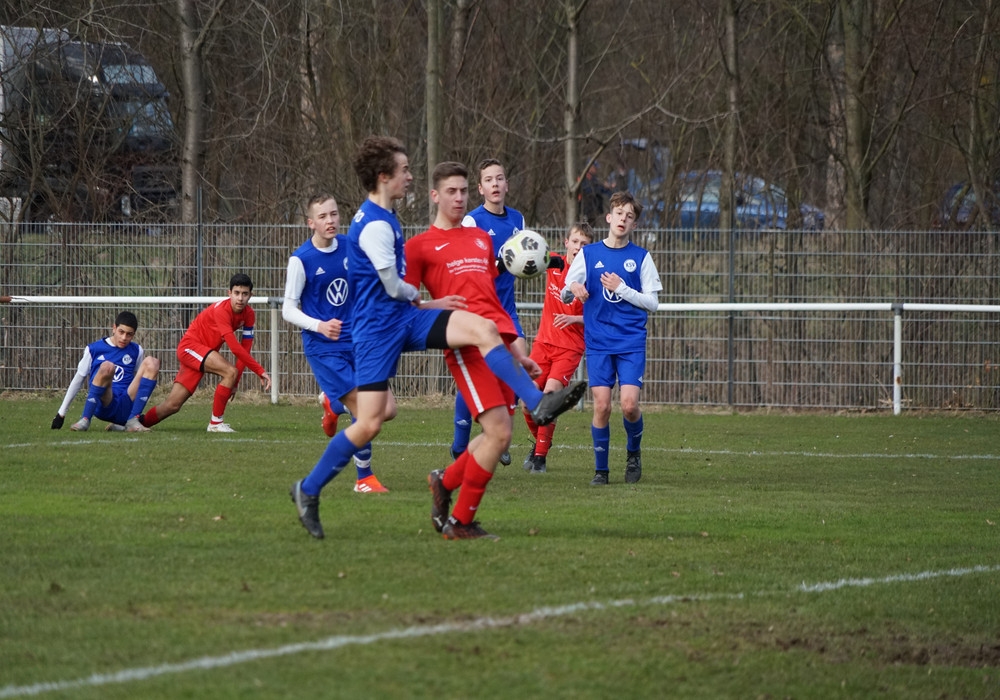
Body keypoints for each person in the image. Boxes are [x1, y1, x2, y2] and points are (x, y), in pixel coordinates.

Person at [289, 137, 585, 539]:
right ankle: (308, 490)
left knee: (481, 328)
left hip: (404, 320)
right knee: (371, 422)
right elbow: (392, 285)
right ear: (384, 176)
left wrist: (431, 305)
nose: (409, 176)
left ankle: (537, 403)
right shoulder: (375, 224)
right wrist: (428, 299)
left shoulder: (386, 215)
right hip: (377, 331)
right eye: (404, 170)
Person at [404, 161, 533, 540]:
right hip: (464, 344)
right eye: (451, 191)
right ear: (435, 196)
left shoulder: (480, 239)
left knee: (500, 434)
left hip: (496, 342)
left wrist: (515, 353)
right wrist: (435, 305)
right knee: (498, 433)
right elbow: (403, 307)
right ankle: (460, 521)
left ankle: (445, 482)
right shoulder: (418, 246)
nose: (459, 198)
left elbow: (489, 299)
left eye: (462, 191)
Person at [282, 193, 390, 494]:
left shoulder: (349, 246)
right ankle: (364, 478)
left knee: (387, 409)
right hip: (324, 348)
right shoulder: (301, 260)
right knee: (365, 412)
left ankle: (334, 404)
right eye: (323, 217)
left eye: (334, 214)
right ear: (311, 223)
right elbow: (288, 309)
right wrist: (320, 325)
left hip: (358, 340)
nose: (330, 221)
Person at [562, 191, 662, 485]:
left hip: (630, 342)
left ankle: (633, 453)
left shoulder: (641, 257)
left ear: (634, 225)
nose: (623, 219)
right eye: (619, 213)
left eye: (629, 216)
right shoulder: (589, 254)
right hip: (599, 342)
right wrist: (574, 289)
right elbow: (567, 289)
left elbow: (653, 303)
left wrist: (622, 289)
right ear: (609, 217)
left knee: (629, 406)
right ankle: (601, 471)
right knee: (602, 406)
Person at [451, 157, 527, 465]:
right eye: (489, 180)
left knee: (518, 366)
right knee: (475, 374)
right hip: (479, 310)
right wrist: (501, 263)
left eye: (500, 178)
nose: (495, 184)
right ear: (480, 188)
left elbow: (523, 260)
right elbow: (470, 268)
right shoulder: (472, 222)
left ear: (507, 184)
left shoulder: (518, 219)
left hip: (506, 309)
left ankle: (499, 433)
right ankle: (460, 444)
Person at [138, 273, 272, 432]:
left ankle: (137, 423)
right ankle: (215, 424)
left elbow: (245, 349)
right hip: (190, 348)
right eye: (236, 293)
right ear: (229, 293)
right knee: (230, 371)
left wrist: (235, 383)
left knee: (172, 405)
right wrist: (259, 370)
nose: (240, 298)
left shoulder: (249, 314)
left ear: (251, 295)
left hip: (202, 353)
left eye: (245, 294)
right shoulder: (222, 310)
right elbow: (235, 348)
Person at [521, 221, 593, 474]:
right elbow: (531, 257)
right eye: (575, 242)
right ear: (566, 243)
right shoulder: (555, 263)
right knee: (527, 400)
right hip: (543, 344)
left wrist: (575, 319)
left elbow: (599, 316)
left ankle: (540, 458)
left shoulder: (591, 277)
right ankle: (541, 443)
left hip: (569, 348)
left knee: (549, 396)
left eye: (584, 244)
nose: (579, 247)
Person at [51, 311, 160, 432]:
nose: (124, 338)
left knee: (153, 362)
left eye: (129, 334)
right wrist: (61, 413)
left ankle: (132, 420)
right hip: (104, 404)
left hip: (125, 404)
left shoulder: (137, 350)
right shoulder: (93, 349)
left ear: (134, 334)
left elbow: (140, 381)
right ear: (114, 328)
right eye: (121, 332)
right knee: (107, 366)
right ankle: (85, 419)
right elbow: (78, 380)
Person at [577, 161, 611, 226]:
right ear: (590, 167)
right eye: (595, 168)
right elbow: (589, 190)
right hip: (587, 207)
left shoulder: (594, 179)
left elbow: (601, 189)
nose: (596, 170)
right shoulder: (584, 178)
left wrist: (606, 187)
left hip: (595, 208)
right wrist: (602, 187)